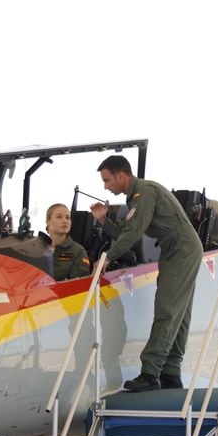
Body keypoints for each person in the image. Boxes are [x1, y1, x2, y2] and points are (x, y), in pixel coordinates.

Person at [90, 155, 203, 392]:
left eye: (107, 180)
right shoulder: (137, 197)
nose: (106, 186)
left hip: (180, 250)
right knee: (178, 314)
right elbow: (128, 231)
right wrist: (103, 220)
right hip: (177, 249)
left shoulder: (145, 192)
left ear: (122, 175)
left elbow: (132, 235)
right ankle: (171, 373)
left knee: (167, 310)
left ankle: (150, 374)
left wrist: (106, 257)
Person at [41, 203, 91, 280]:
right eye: (59, 217)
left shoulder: (78, 252)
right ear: (48, 221)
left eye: (68, 218)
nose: (65, 221)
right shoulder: (37, 246)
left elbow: (78, 286)